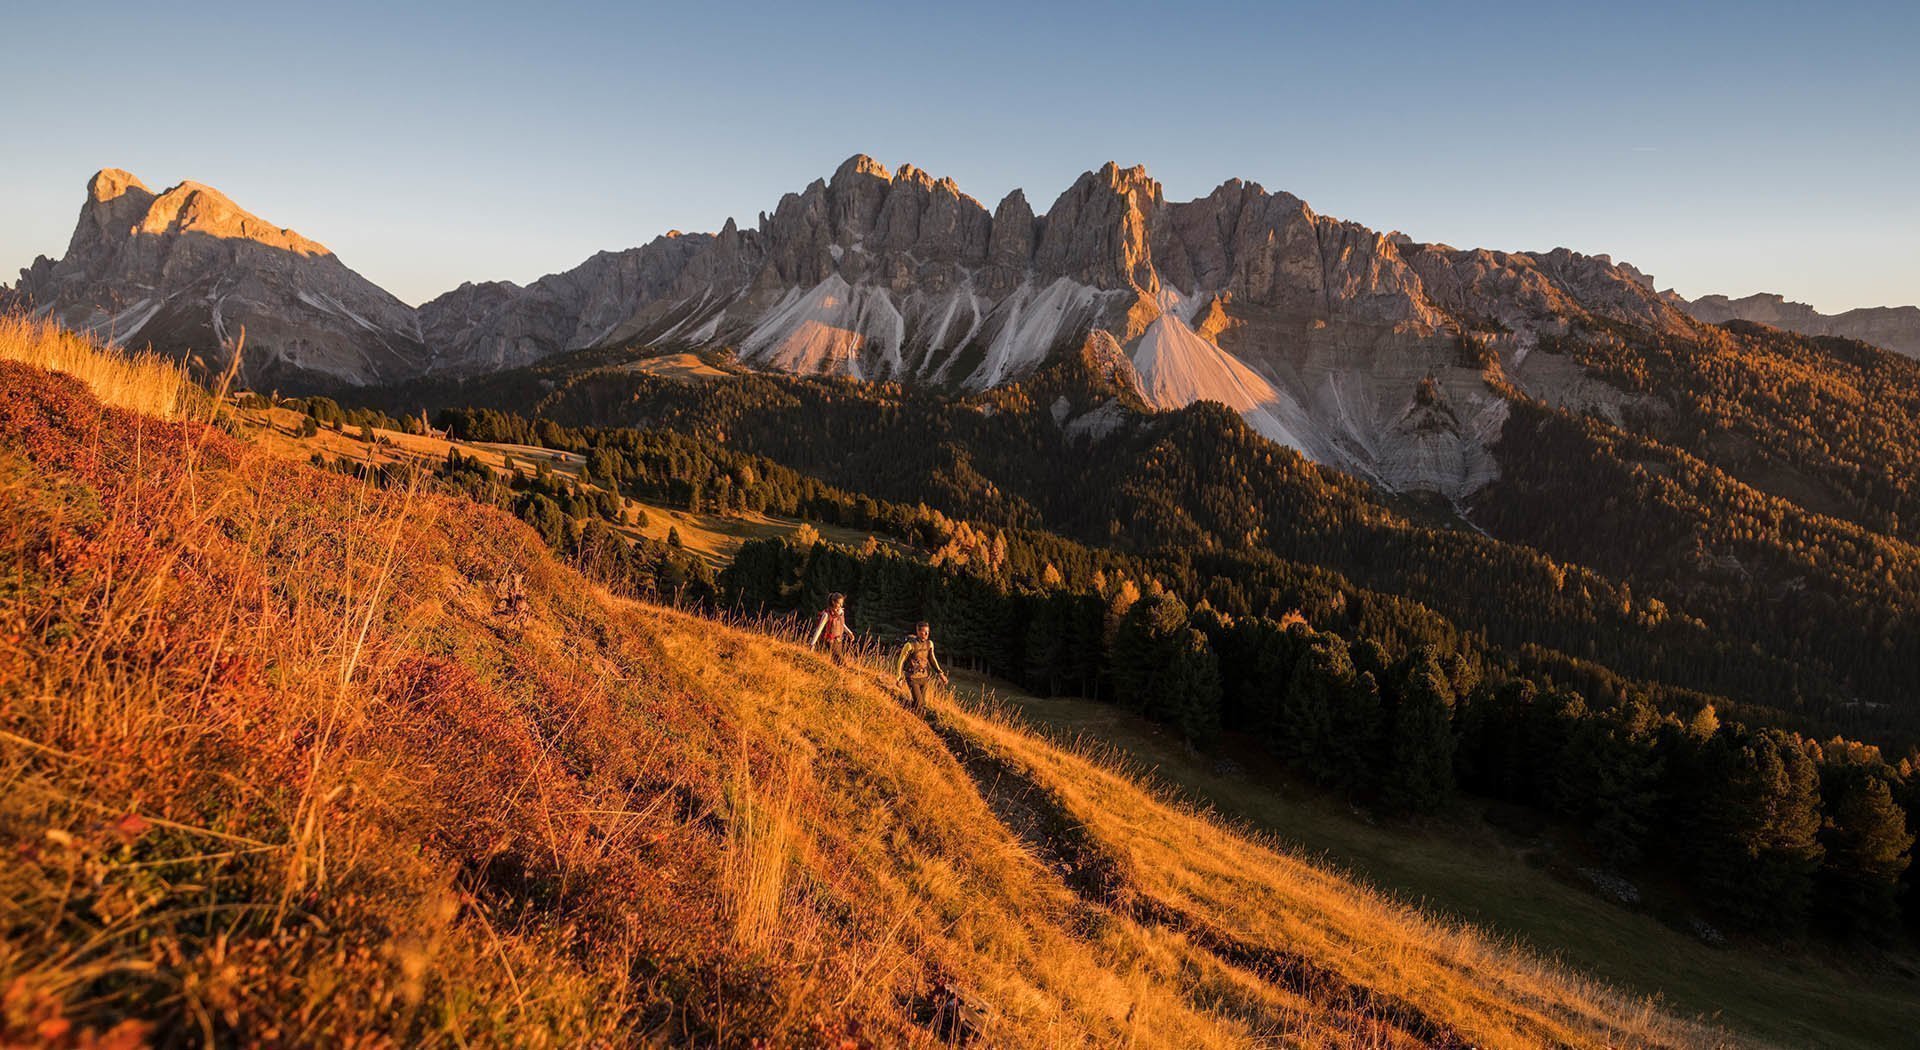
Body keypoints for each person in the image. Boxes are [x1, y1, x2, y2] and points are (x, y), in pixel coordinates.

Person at [893, 621, 948, 709]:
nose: (926, 634)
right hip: (912, 677)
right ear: (918, 632)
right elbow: (901, 661)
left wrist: (940, 673)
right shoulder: (909, 645)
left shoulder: (929, 644)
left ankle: (908, 713)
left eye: (928, 631)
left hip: (924, 677)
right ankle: (901, 707)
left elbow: (932, 659)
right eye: (924, 631)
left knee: (922, 704)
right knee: (919, 703)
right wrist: (899, 677)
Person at [808, 593, 853, 666]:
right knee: (841, 662)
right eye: (839, 603)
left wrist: (849, 632)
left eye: (842, 603)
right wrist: (812, 644)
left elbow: (841, 624)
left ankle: (834, 673)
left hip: (839, 640)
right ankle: (842, 673)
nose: (841, 605)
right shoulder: (826, 615)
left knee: (836, 661)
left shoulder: (841, 612)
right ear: (833, 602)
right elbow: (819, 629)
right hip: (831, 641)